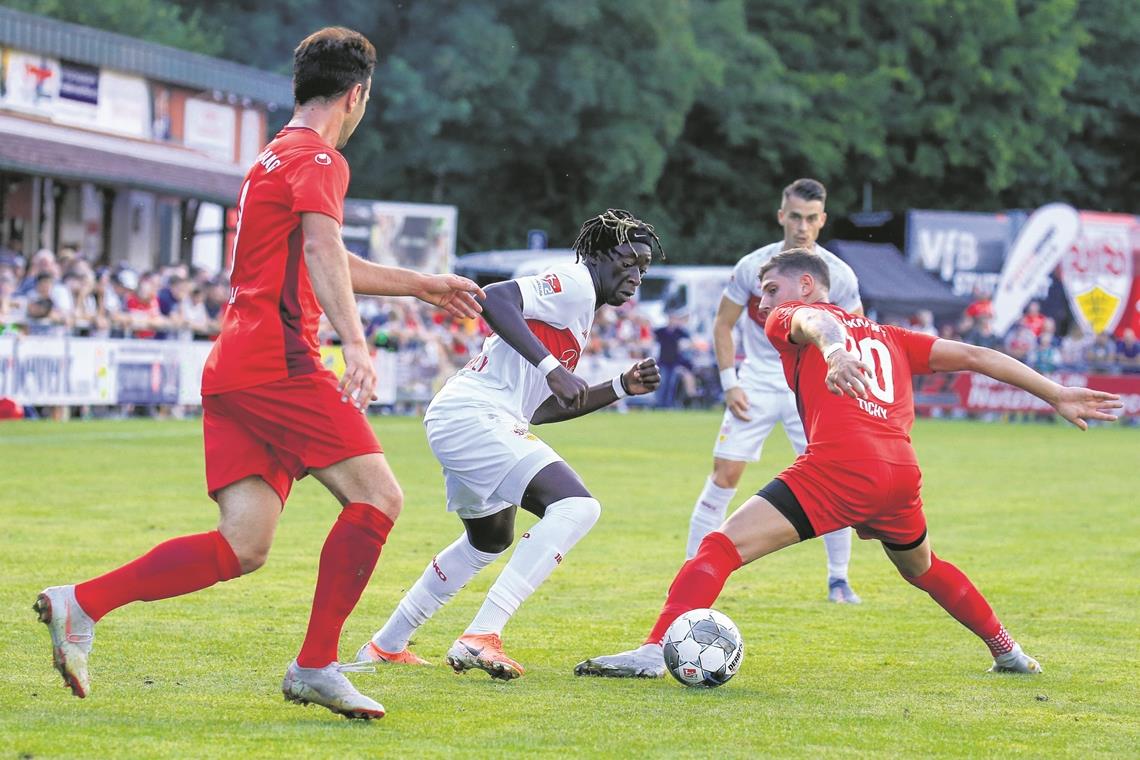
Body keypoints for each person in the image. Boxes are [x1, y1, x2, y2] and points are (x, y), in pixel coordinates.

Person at [34, 26, 484, 721]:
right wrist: (357, 343)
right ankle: (315, 665)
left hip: (235, 365)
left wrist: (419, 283)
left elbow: (321, 255)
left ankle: (81, 604)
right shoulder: (322, 159)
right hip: (278, 361)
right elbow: (325, 246)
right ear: (356, 95)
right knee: (379, 498)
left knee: (243, 546)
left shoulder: (271, 158)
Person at [575, 250, 1121, 679]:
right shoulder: (889, 335)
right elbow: (977, 356)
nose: (763, 303)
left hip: (842, 465)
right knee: (922, 569)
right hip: (900, 471)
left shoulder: (791, 317)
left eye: (771, 290)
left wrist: (834, 353)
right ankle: (1009, 652)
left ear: (805, 285)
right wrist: (1054, 392)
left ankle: (654, 649)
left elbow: (815, 324)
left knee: (720, 547)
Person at [355, 210, 663, 680]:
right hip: (473, 414)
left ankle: (386, 645)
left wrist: (618, 386)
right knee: (578, 507)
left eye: (643, 267)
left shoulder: (580, 314)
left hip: (474, 416)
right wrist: (551, 368)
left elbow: (540, 410)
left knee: (490, 538)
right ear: (599, 256)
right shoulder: (576, 282)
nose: (636, 276)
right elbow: (496, 299)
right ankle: (481, 635)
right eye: (628, 261)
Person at [685, 178, 864, 603]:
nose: (802, 226)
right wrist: (730, 383)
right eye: (795, 216)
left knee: (833, 480)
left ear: (822, 221)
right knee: (725, 474)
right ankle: (692, 570)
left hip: (813, 389)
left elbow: (857, 333)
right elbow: (723, 324)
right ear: (781, 215)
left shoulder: (839, 275)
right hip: (758, 384)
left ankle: (838, 579)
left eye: (811, 218)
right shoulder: (753, 266)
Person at [653, 311, 691, 408]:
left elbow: (688, 340)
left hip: (674, 362)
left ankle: (668, 404)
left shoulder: (680, 332)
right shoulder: (662, 331)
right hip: (664, 361)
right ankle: (659, 403)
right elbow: (653, 336)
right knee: (663, 382)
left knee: (671, 384)